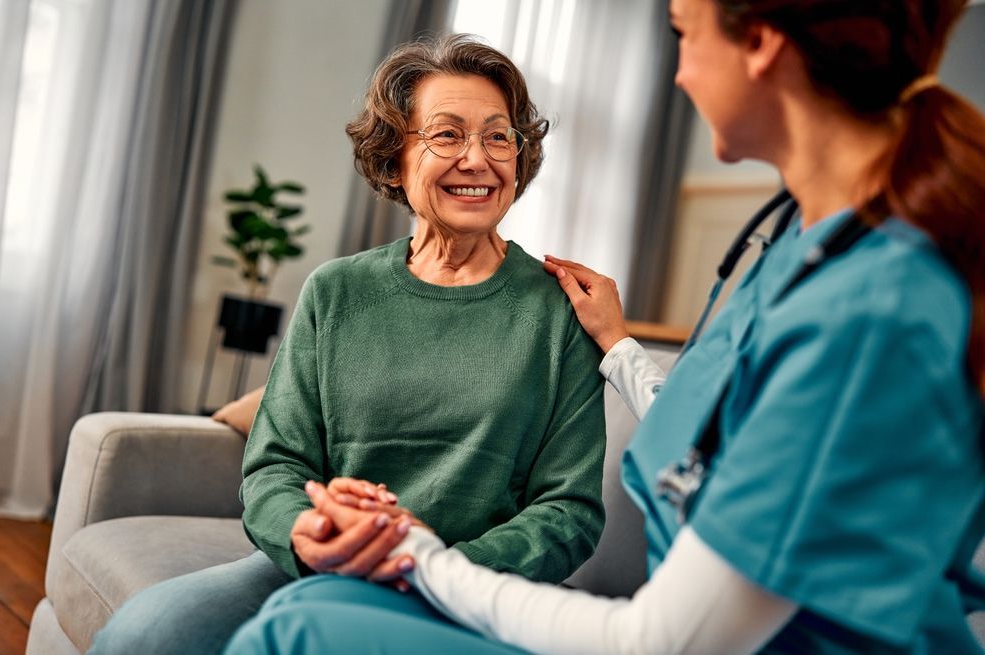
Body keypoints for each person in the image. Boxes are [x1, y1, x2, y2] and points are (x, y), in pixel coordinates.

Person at [224, 0, 985, 653]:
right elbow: (722, 438)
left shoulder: (863, 311)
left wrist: (415, 554)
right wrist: (622, 350)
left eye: (682, 31)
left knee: (298, 628)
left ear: (760, 44)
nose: (679, 73)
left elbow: (659, 633)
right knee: (284, 612)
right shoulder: (797, 250)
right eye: (446, 135)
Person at [89, 35, 608, 654]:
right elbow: (276, 465)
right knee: (143, 636)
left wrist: (435, 566)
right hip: (324, 564)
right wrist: (306, 532)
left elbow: (569, 511)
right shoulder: (336, 291)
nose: (478, 159)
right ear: (393, 160)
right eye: (446, 135)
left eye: (499, 136)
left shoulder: (562, 308)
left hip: (472, 586)